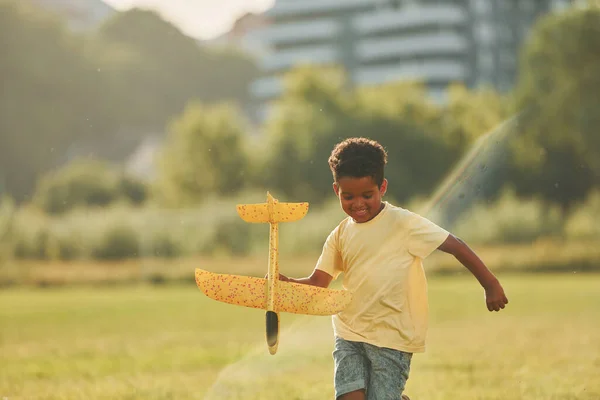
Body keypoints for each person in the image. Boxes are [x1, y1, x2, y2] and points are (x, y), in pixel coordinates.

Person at [275, 137, 509, 400]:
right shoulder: (340, 234)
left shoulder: (404, 224)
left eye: (367, 195)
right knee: (348, 397)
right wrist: (285, 283)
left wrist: (490, 284)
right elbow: (318, 283)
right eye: (348, 196)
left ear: (382, 187)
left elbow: (456, 245)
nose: (358, 204)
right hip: (349, 332)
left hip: (393, 338)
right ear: (336, 190)